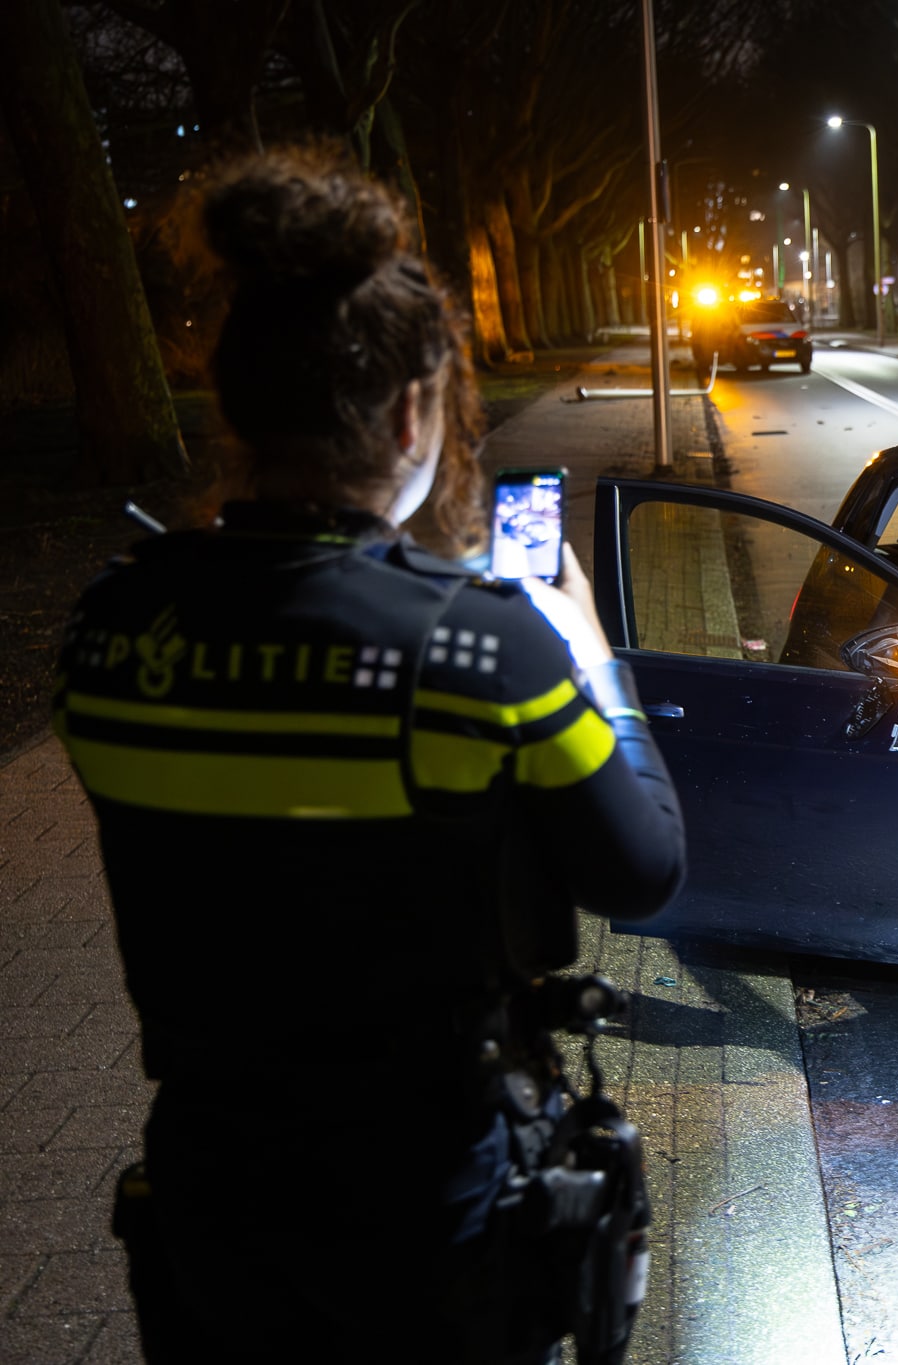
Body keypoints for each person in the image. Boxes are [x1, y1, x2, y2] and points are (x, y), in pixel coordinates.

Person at [51, 149, 687, 1361]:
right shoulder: (478, 648)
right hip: (422, 1214)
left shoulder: (109, 630)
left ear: (237, 406)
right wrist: (591, 656)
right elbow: (643, 871)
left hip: (210, 1206)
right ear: (410, 416)